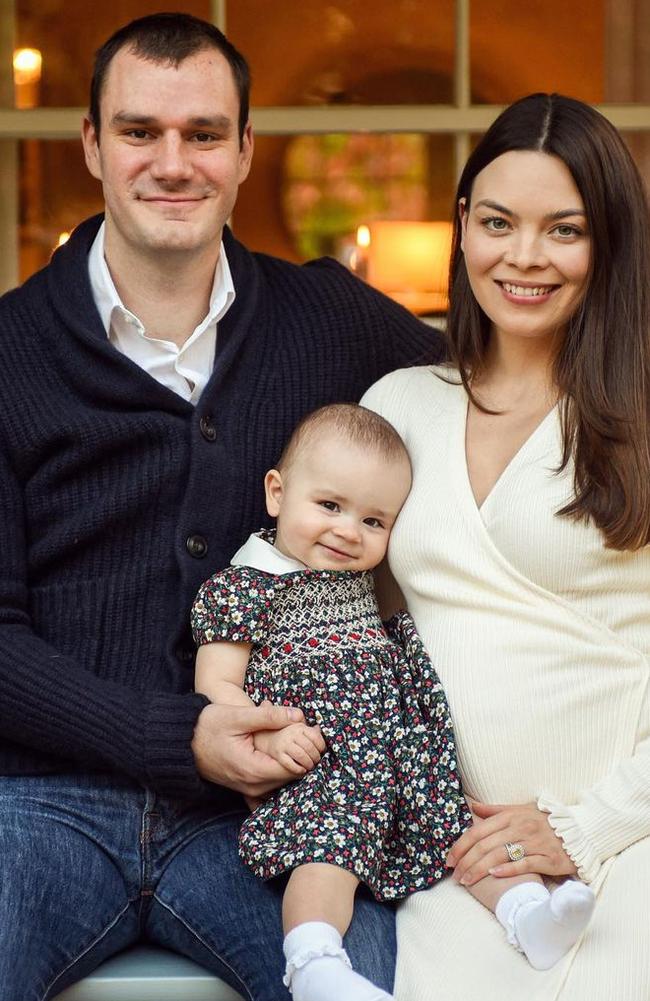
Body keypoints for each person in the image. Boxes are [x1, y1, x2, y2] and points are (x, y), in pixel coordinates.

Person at [0, 13, 443, 1001]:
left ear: (245, 151)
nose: (172, 161)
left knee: (359, 982)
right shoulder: (9, 350)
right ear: (90, 144)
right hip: (38, 805)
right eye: (139, 132)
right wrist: (171, 733)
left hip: (269, 815)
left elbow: (489, 404)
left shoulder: (332, 322)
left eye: (203, 134)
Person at [362, 92, 650, 1001]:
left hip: (626, 847)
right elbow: (354, 633)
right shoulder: (399, 407)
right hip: (454, 868)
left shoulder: (642, 413)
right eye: (497, 222)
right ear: (461, 228)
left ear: (607, 242)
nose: (523, 257)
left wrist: (589, 823)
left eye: (562, 230)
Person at [191, 402, 596, 1001]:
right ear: (276, 493)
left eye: (375, 521)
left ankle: (525, 912)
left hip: (396, 750)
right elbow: (217, 688)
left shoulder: (359, 580)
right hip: (320, 762)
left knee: (458, 827)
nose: (349, 531)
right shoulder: (248, 584)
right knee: (329, 850)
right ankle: (314, 961)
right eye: (329, 506)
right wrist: (270, 736)